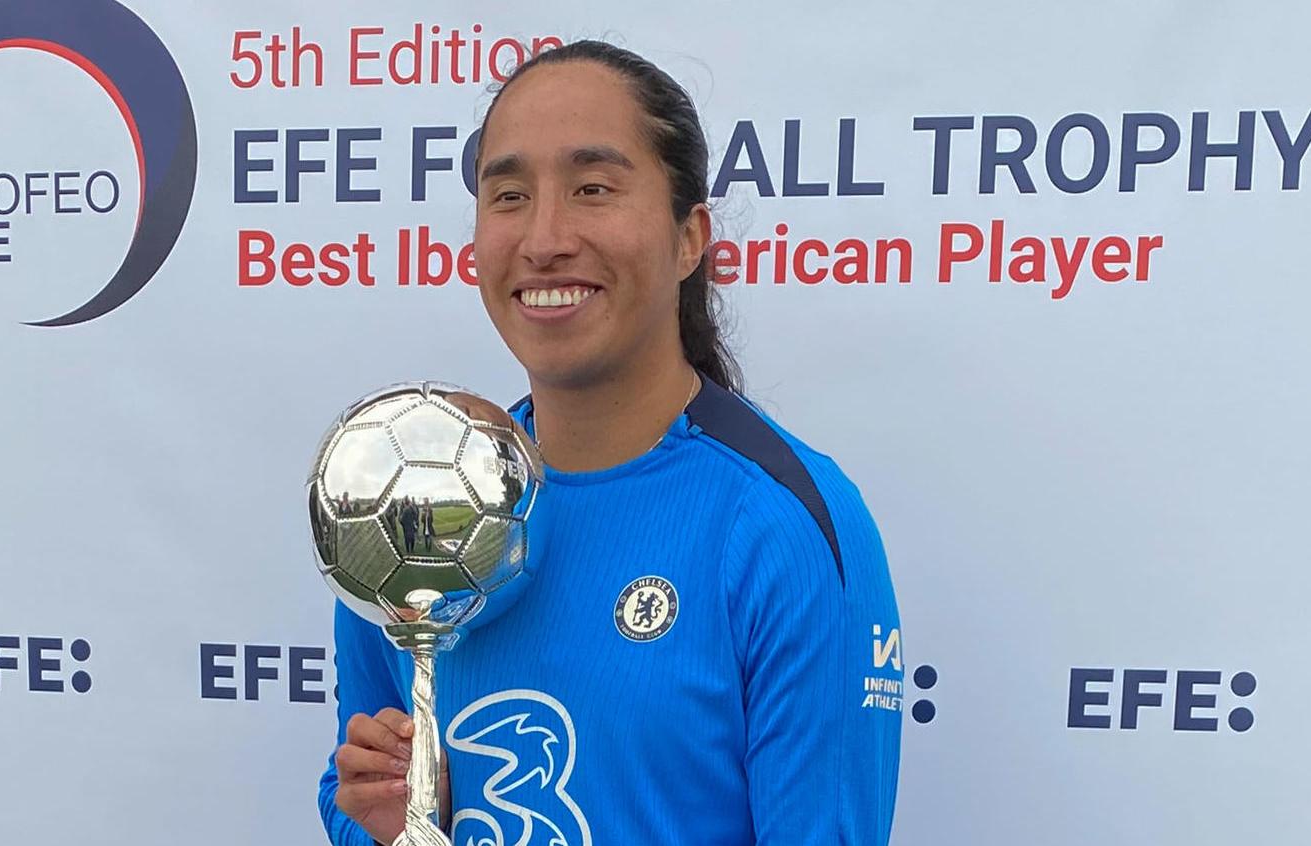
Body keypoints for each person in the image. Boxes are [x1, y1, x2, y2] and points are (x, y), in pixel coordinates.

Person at [319, 39, 902, 846]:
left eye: (592, 188)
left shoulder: (778, 526)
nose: (545, 237)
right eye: (510, 195)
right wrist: (393, 826)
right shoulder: (415, 501)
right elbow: (355, 802)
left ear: (689, 236)